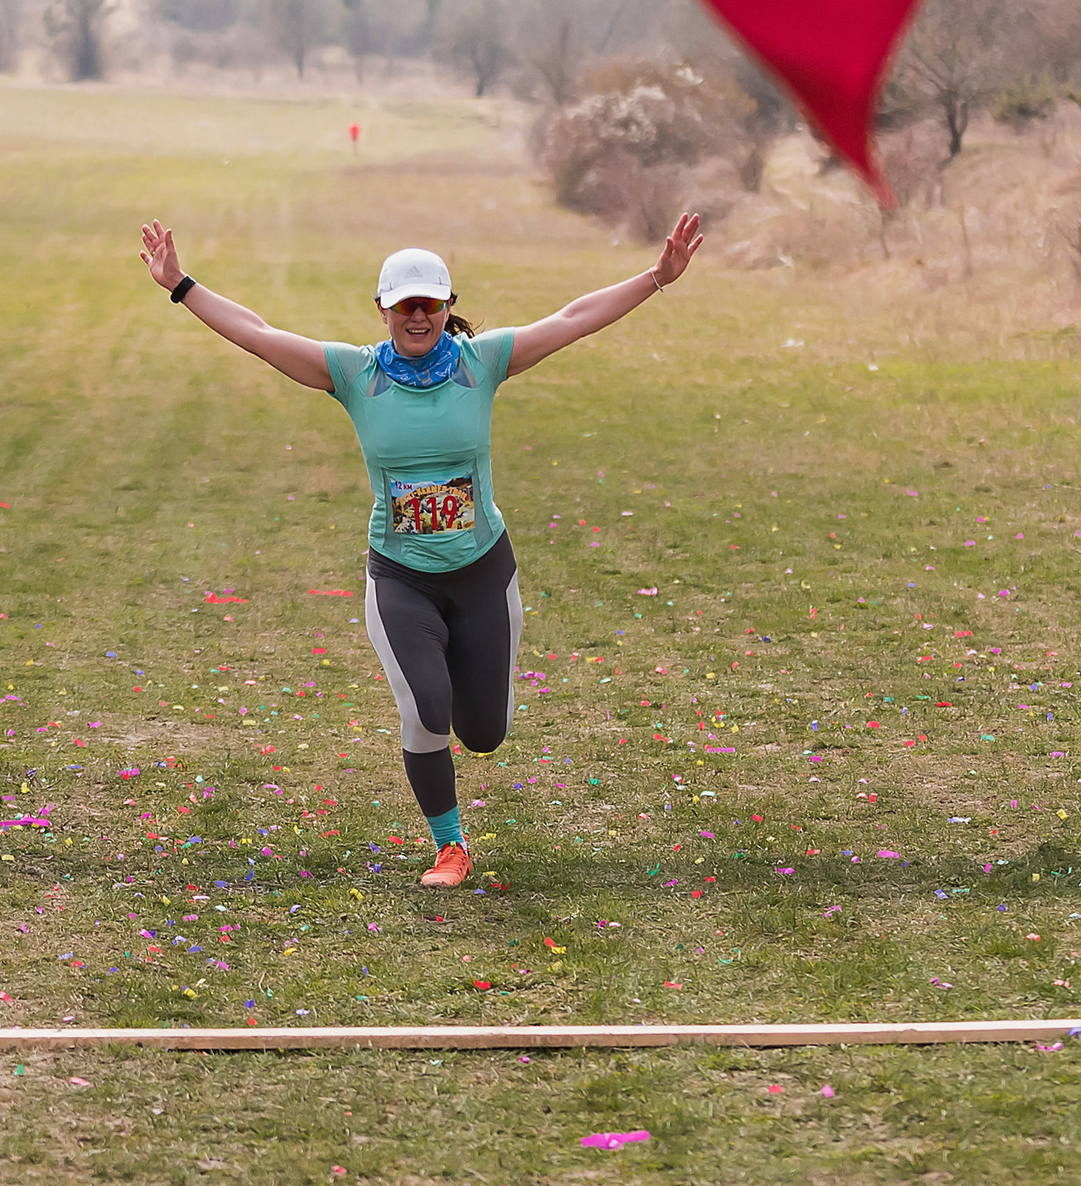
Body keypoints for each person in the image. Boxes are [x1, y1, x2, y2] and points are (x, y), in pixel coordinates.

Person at [135, 214, 703, 887]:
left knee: (485, 731)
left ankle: (466, 696)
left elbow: (574, 317)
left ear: (447, 307)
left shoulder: (482, 361)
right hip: (402, 576)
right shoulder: (353, 373)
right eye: (404, 303)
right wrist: (180, 285)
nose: (417, 315)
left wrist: (656, 278)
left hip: (483, 570)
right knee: (428, 706)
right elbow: (258, 334)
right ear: (382, 309)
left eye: (429, 303)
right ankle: (450, 846)